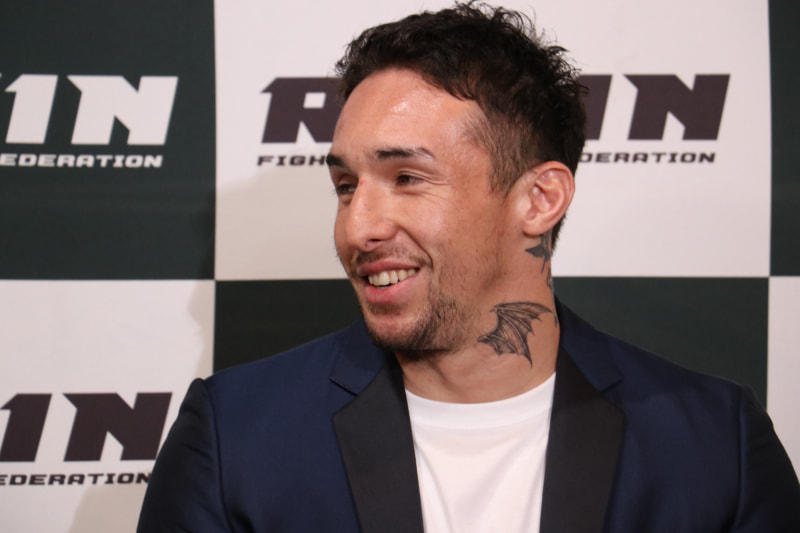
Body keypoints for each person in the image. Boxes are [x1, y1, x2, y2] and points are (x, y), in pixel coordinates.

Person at [137, 3, 800, 532]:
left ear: (539, 199)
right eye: (346, 186)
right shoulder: (234, 437)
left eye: (407, 178)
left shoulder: (716, 443)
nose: (358, 227)